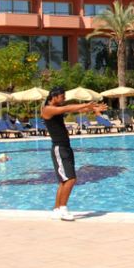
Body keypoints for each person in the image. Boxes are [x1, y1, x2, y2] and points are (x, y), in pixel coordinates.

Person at [41, 86, 107, 221]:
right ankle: (63, 209)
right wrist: (86, 105)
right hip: (59, 148)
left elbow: (75, 109)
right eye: (62, 97)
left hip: (65, 147)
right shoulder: (47, 109)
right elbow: (67, 108)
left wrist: (92, 109)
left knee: (64, 181)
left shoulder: (56, 108)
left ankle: (57, 210)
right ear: (54, 96)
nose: (64, 99)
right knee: (71, 179)